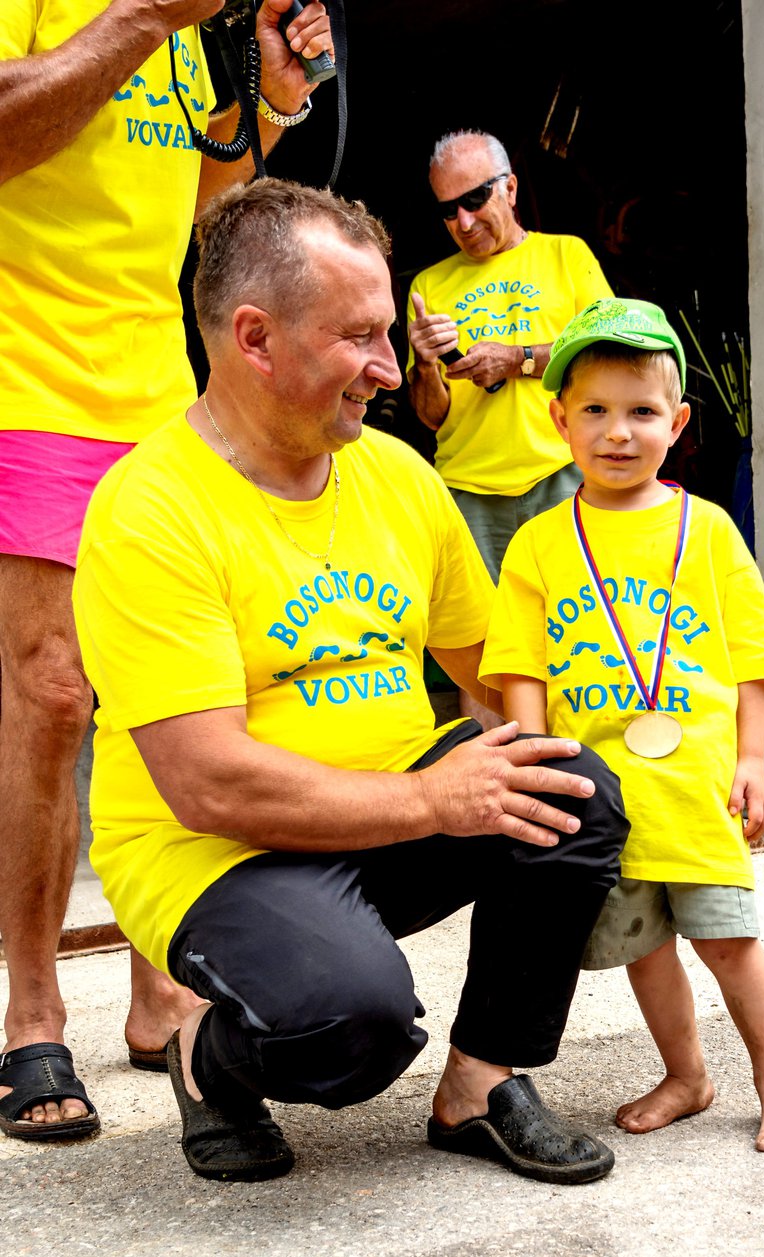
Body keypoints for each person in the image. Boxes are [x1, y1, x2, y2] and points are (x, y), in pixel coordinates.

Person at [71, 178, 627, 1185]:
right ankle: (208, 1055)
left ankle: (477, 1085)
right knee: (351, 1025)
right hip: (217, 854)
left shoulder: (398, 478)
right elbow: (208, 784)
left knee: (570, 788)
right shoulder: (149, 509)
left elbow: (495, 675)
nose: (388, 368)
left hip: (390, 815)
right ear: (253, 339)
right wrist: (428, 798)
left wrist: (646, 771)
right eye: (359, 337)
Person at [0, 0, 335, 1141]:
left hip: (151, 386)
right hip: (27, 373)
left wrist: (276, 91)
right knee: (54, 693)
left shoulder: (198, 28)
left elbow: (200, 211)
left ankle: (158, 995)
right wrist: (145, 16)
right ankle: (33, 1009)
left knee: (173, 689)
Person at [480, 298, 764, 1153]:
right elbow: (519, 665)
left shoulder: (706, 531)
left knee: (730, 943)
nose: (618, 432)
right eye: (594, 410)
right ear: (559, 420)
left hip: (698, 788)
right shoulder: (539, 544)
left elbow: (752, 656)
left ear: (678, 421)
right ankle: (687, 1074)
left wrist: (752, 759)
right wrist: (533, 763)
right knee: (645, 948)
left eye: (640, 412)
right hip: (605, 801)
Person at [406, 129, 612, 723]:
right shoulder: (429, 285)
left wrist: (517, 358)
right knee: (483, 648)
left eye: (475, 201)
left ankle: (587, 775)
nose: (464, 222)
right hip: (467, 490)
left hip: (562, 474)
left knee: (579, 628)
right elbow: (431, 415)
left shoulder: (565, 256)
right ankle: (491, 794)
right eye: (448, 211)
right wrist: (423, 362)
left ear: (511, 188)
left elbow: (604, 354)